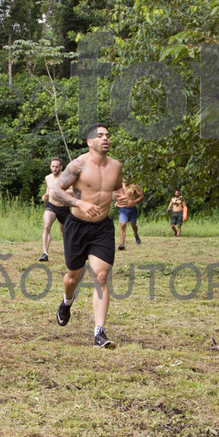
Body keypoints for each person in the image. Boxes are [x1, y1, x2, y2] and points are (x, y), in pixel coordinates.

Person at [51, 124, 125, 349]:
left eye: (107, 135)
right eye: (100, 136)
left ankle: (99, 333)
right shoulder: (78, 164)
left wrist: (121, 198)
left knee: (101, 276)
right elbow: (56, 191)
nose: (106, 139)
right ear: (89, 142)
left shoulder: (116, 166)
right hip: (77, 227)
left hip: (102, 228)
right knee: (72, 278)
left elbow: (117, 189)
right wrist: (79, 203)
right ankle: (67, 301)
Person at [38, 157, 70, 262]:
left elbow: (73, 190)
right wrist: (46, 195)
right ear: (50, 166)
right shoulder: (48, 178)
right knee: (46, 226)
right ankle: (45, 253)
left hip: (64, 207)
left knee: (65, 233)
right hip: (51, 205)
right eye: (53, 166)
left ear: (61, 167)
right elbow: (49, 189)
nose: (54, 169)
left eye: (57, 167)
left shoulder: (66, 177)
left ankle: (67, 252)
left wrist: (60, 192)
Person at [114, 181, 144, 250]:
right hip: (123, 209)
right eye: (124, 178)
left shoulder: (134, 186)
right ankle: (122, 244)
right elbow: (116, 196)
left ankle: (136, 235)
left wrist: (134, 201)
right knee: (123, 225)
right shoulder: (120, 186)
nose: (125, 180)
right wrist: (116, 202)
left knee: (133, 225)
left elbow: (142, 196)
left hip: (132, 209)